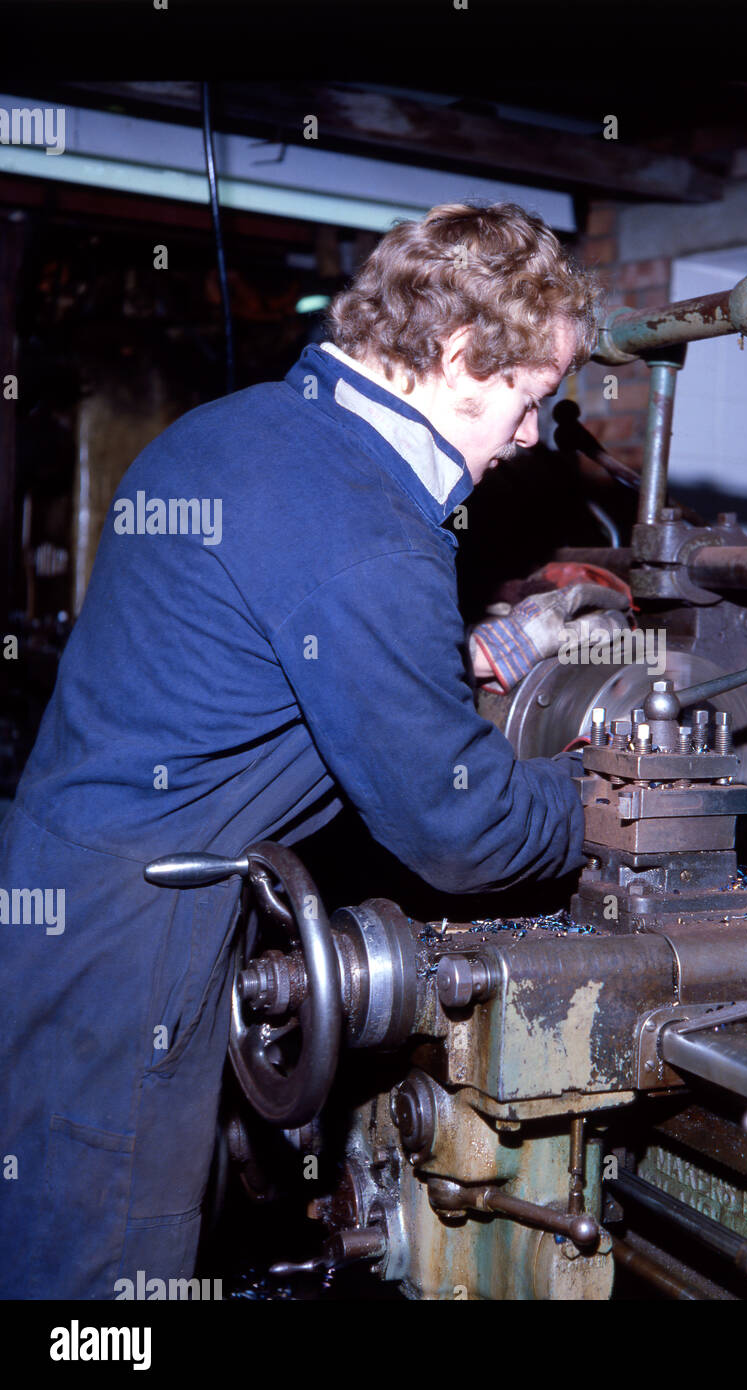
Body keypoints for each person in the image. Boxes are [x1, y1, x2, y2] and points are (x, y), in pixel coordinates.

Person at [0, 202, 625, 1298]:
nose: (530, 435)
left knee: (38, 1224)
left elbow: (261, 643)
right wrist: (608, 798)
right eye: (528, 398)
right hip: (133, 941)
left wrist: (454, 655)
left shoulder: (241, 428)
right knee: (103, 1271)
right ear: (454, 355)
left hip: (62, 880)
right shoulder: (365, 523)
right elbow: (457, 825)